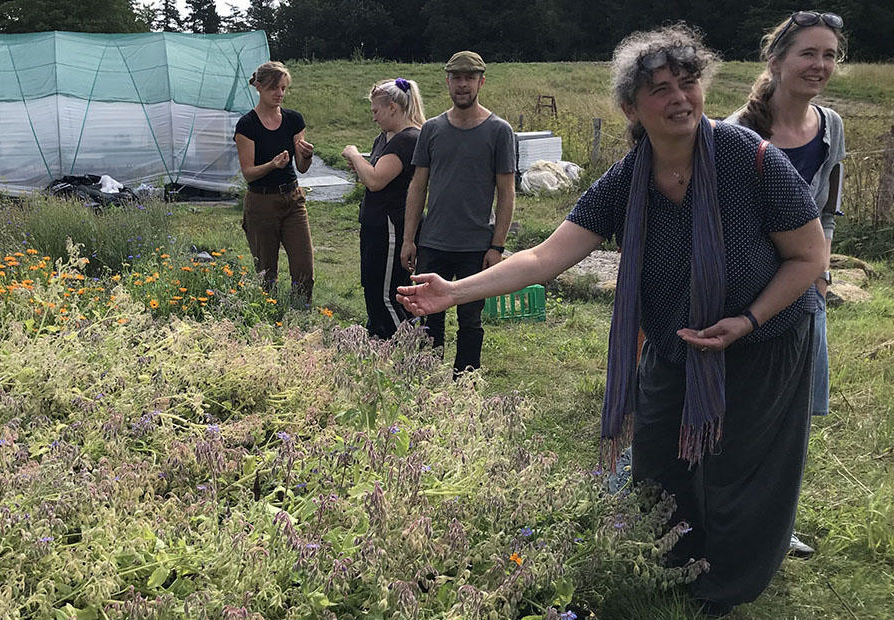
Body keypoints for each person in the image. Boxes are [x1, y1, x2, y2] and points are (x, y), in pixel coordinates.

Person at [397, 25, 825, 616]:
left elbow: (810, 259)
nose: (680, 98)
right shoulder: (627, 180)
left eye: (689, 82)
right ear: (631, 106)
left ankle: (723, 587)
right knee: (657, 461)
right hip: (678, 343)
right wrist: (454, 291)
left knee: (742, 471)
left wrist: (747, 321)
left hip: (767, 337)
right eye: (660, 88)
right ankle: (669, 565)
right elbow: (545, 256)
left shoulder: (749, 158)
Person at [726, 10, 847, 559]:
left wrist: (818, 280)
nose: (819, 65)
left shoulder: (832, 127)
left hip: (804, 297)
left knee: (792, 417)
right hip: (745, 297)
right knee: (741, 413)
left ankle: (775, 526)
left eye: (829, 55)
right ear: (776, 61)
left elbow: (828, 211)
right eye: (808, 54)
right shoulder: (736, 133)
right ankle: (725, 519)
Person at [402, 51, 516, 373]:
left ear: (481, 81)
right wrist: (410, 238)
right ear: (447, 82)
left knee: (470, 321)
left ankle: (465, 387)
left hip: (475, 247)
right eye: (457, 78)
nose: (463, 85)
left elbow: (507, 193)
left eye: (469, 78)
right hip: (433, 241)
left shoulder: (498, 131)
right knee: (426, 318)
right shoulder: (432, 129)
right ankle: (424, 383)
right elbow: (417, 186)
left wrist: (497, 246)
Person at [341, 78, 426, 339]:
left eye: (376, 111)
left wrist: (355, 155)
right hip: (375, 223)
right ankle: (378, 338)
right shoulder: (385, 138)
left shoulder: (408, 139)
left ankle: (403, 346)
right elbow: (373, 174)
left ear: (392, 107)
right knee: (372, 287)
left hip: (391, 225)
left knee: (388, 293)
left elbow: (377, 180)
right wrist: (362, 168)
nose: (374, 118)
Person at [234, 61, 316, 303]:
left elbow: (301, 167)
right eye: (273, 88)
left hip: (292, 199)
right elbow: (248, 173)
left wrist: (306, 155)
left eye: (283, 88)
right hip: (261, 202)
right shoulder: (247, 125)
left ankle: (300, 317)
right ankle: (269, 318)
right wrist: (272, 165)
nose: (279, 94)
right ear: (258, 87)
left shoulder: (293, 120)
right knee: (266, 273)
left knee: (304, 269)